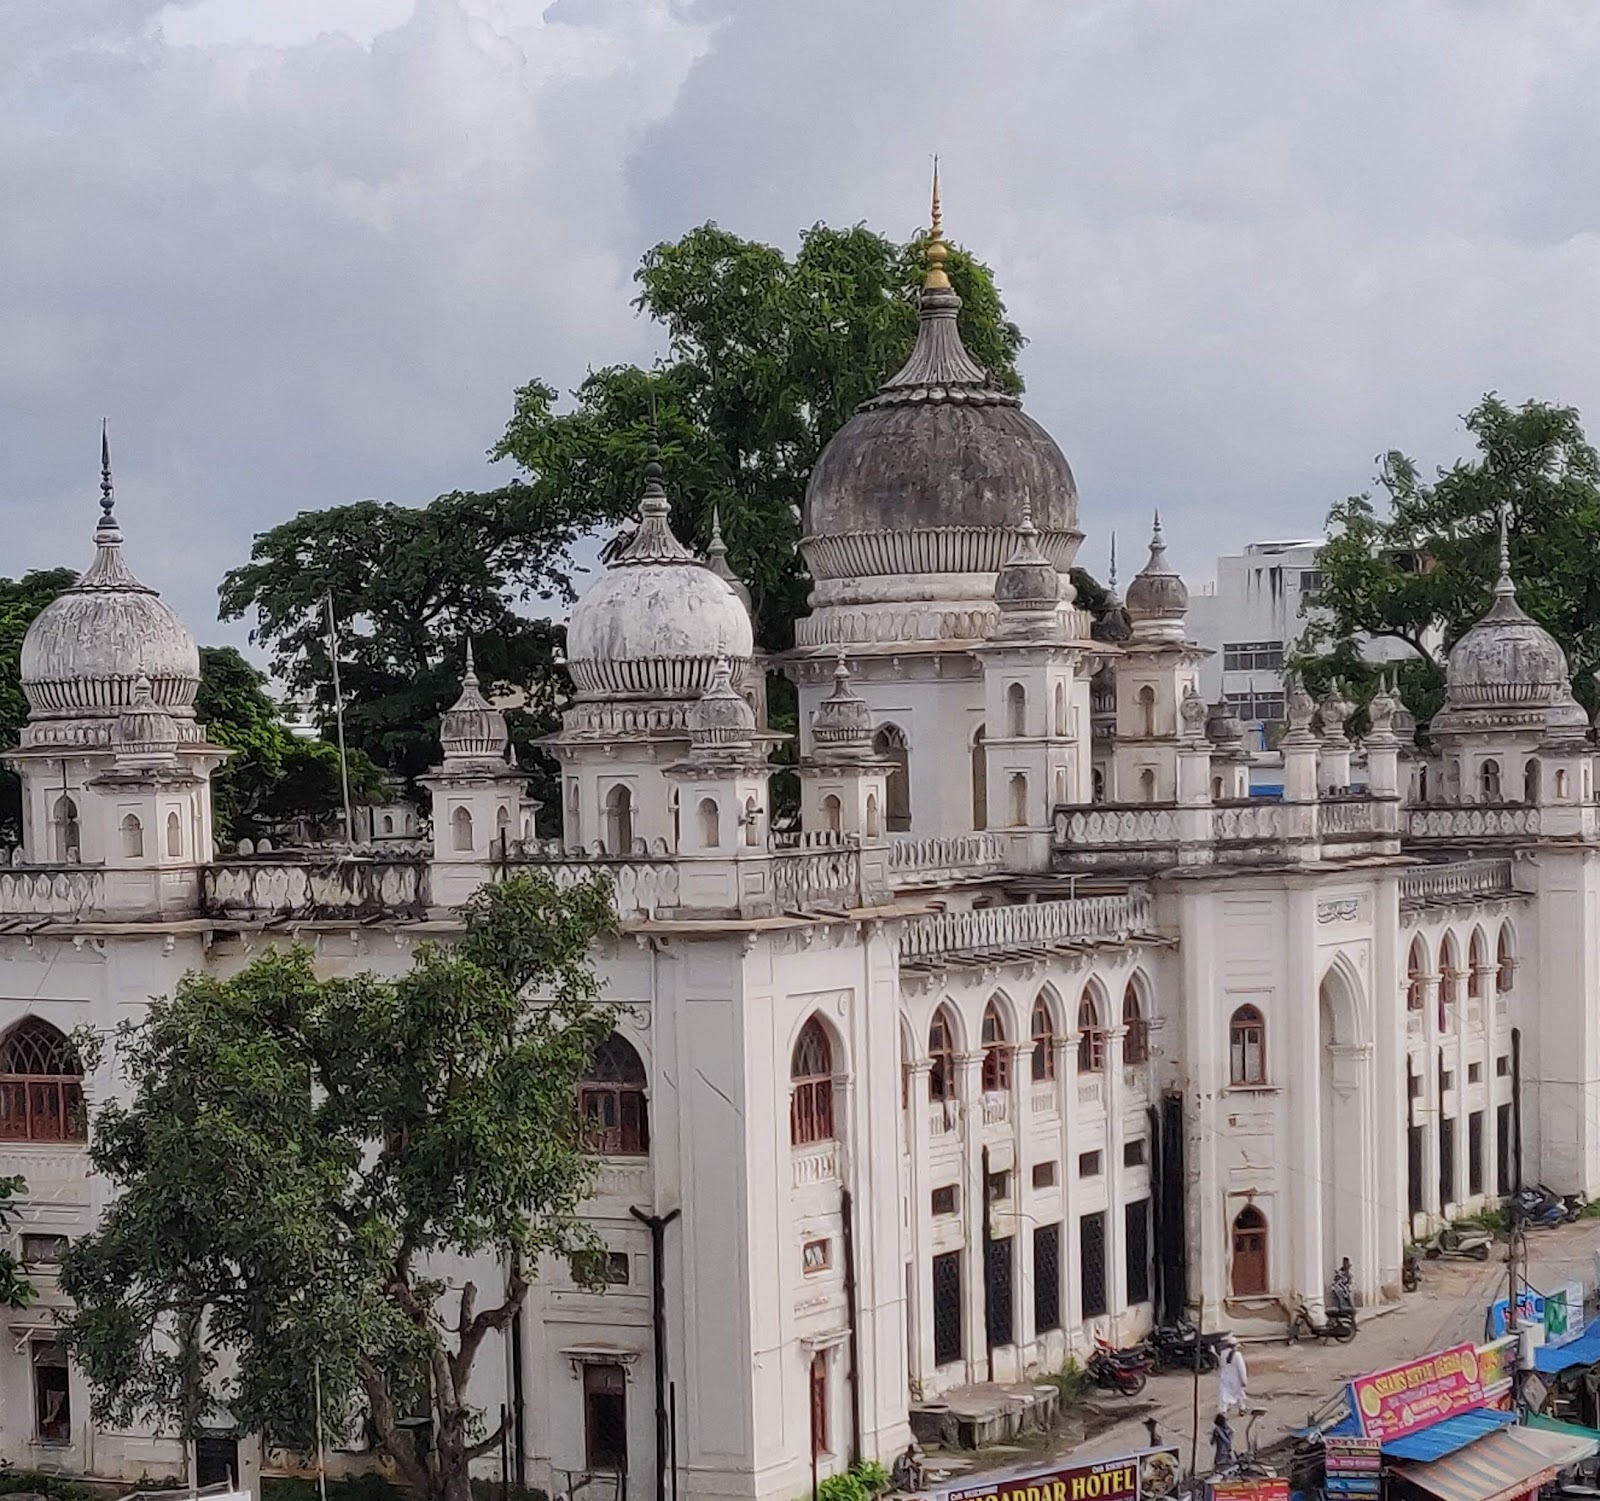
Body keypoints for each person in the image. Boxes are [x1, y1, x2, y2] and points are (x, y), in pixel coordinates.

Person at [1217, 1335, 1249, 1417]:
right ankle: (1242, 1409)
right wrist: (1244, 1380)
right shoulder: (1237, 1355)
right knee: (1239, 1393)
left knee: (1224, 1394)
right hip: (1235, 1378)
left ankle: (1223, 1411)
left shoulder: (1223, 1353)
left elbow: (1221, 1365)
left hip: (1225, 1376)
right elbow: (1241, 1368)